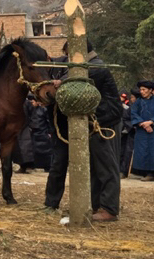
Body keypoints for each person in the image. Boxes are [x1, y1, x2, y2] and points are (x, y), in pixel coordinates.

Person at [45, 40, 123, 222]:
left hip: (105, 121)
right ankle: (97, 205)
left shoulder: (96, 67)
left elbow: (77, 85)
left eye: (68, 55)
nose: (66, 59)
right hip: (97, 120)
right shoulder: (90, 66)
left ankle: (109, 208)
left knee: (106, 166)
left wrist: (60, 83)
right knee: (95, 167)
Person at [130, 80, 154, 182]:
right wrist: (143, 124)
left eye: (144, 89)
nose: (142, 92)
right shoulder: (138, 101)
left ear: (150, 90)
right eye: (141, 90)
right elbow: (134, 113)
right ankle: (148, 173)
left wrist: (151, 122)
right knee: (143, 151)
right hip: (142, 130)